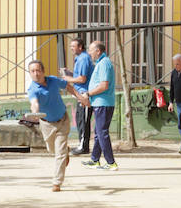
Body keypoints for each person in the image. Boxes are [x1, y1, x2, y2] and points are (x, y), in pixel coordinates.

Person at [27, 60, 76, 192]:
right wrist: (35, 112)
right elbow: (34, 103)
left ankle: (57, 182)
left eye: (38, 70)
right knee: (51, 149)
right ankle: (65, 151)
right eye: (32, 71)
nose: (36, 74)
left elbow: (67, 86)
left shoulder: (53, 80)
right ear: (30, 74)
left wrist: (79, 97)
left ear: (43, 71)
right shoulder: (32, 89)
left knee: (59, 154)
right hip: (47, 123)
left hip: (62, 119)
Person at [81, 40, 118, 171]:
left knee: (102, 133)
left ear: (98, 51)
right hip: (101, 103)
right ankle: (94, 159)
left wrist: (88, 93)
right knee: (98, 132)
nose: (89, 53)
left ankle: (111, 162)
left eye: (91, 50)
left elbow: (104, 85)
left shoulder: (104, 63)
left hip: (103, 103)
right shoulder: (101, 63)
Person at [60, 37, 94, 155]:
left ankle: (84, 146)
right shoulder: (79, 59)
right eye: (71, 46)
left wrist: (68, 79)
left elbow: (82, 78)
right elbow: (79, 76)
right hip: (80, 94)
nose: (71, 49)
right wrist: (69, 73)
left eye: (73, 46)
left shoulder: (83, 58)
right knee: (80, 120)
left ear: (80, 47)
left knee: (83, 121)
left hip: (84, 94)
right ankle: (81, 144)